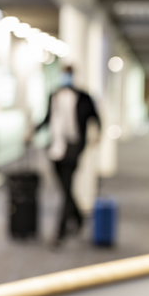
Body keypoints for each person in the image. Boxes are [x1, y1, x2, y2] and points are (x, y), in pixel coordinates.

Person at [30, 65, 100, 244]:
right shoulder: (54, 95)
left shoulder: (83, 97)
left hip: (73, 146)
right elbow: (48, 118)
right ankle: (79, 218)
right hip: (55, 147)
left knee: (66, 188)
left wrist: (96, 134)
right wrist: (33, 131)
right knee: (64, 188)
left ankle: (59, 232)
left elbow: (95, 117)